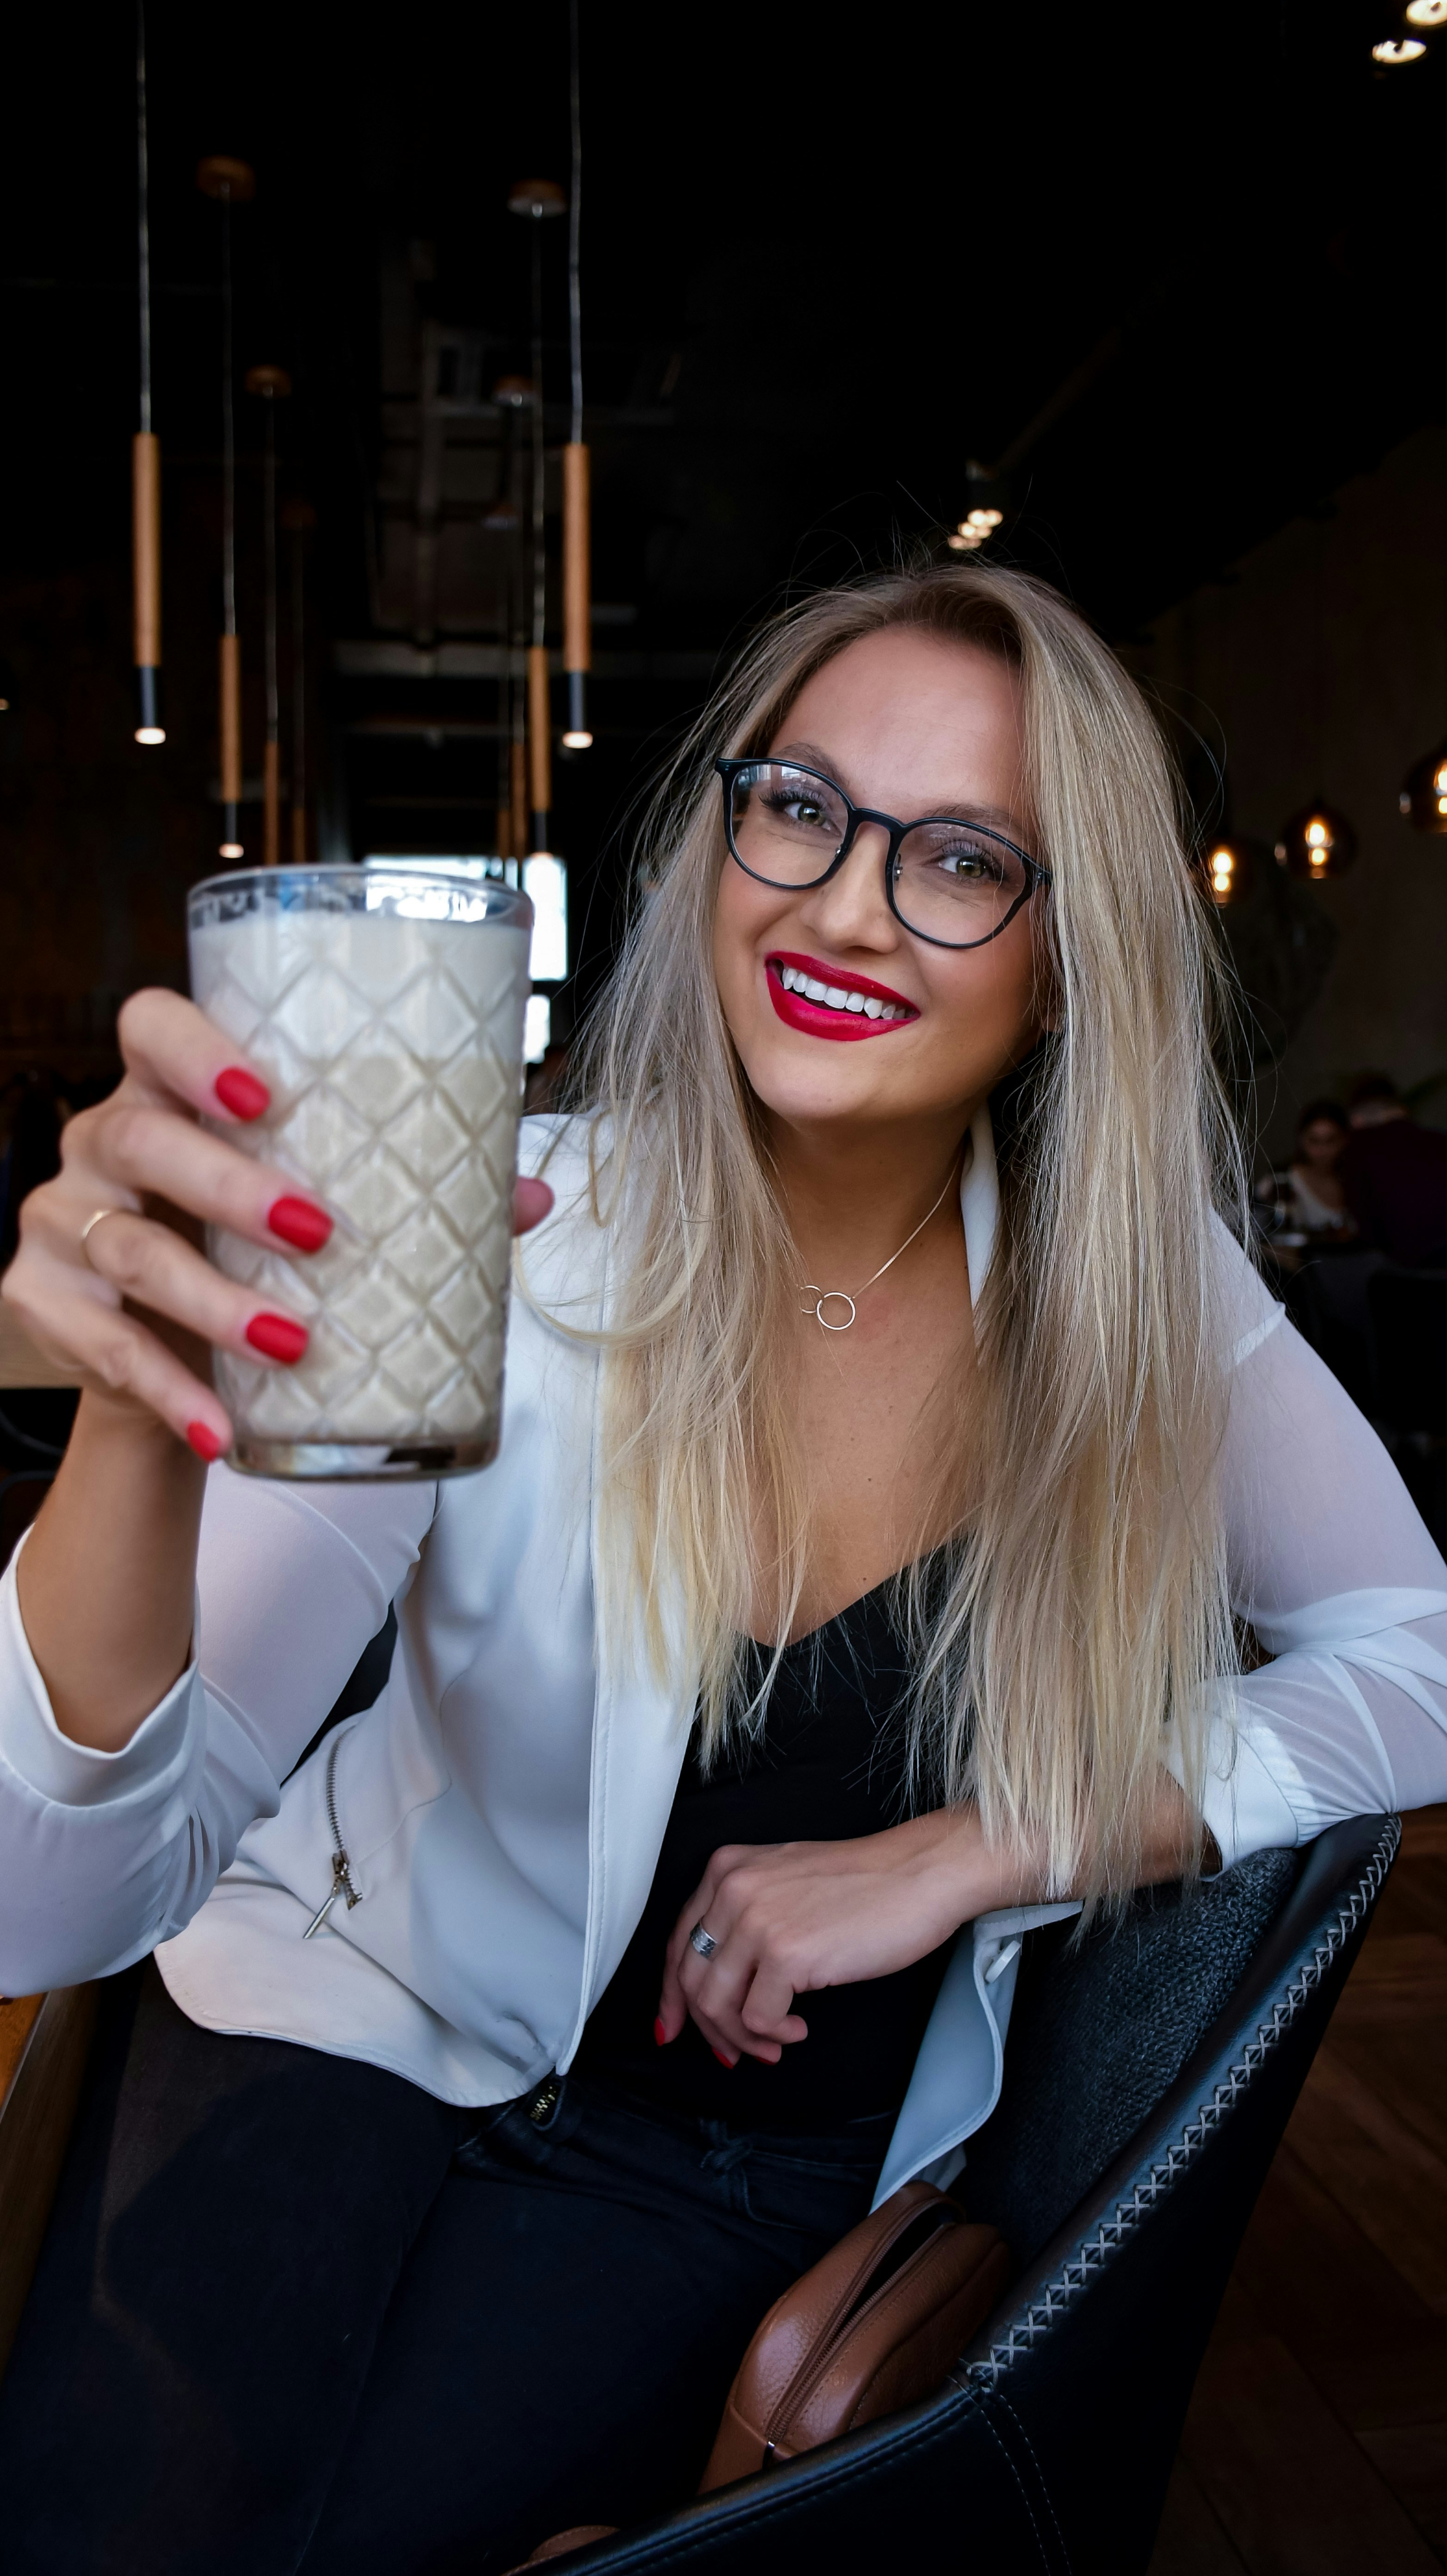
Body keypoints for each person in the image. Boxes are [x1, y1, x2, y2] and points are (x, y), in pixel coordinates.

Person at [0, 563, 1444, 2576]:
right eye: (798, 808)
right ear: (719, 840)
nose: (846, 902)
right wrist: (131, 1419)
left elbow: (1419, 1652)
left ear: (1068, 950)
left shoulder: (1135, 1305)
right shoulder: (498, 1231)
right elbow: (56, 1894)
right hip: (325, 2026)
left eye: (958, 857)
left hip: (718, 2178)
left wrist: (974, 1842)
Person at [1341, 1072, 1447, 1268]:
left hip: (1415, 1276)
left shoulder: (1360, 1151)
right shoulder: (1440, 1141)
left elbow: (1368, 1232)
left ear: (1356, 1120)